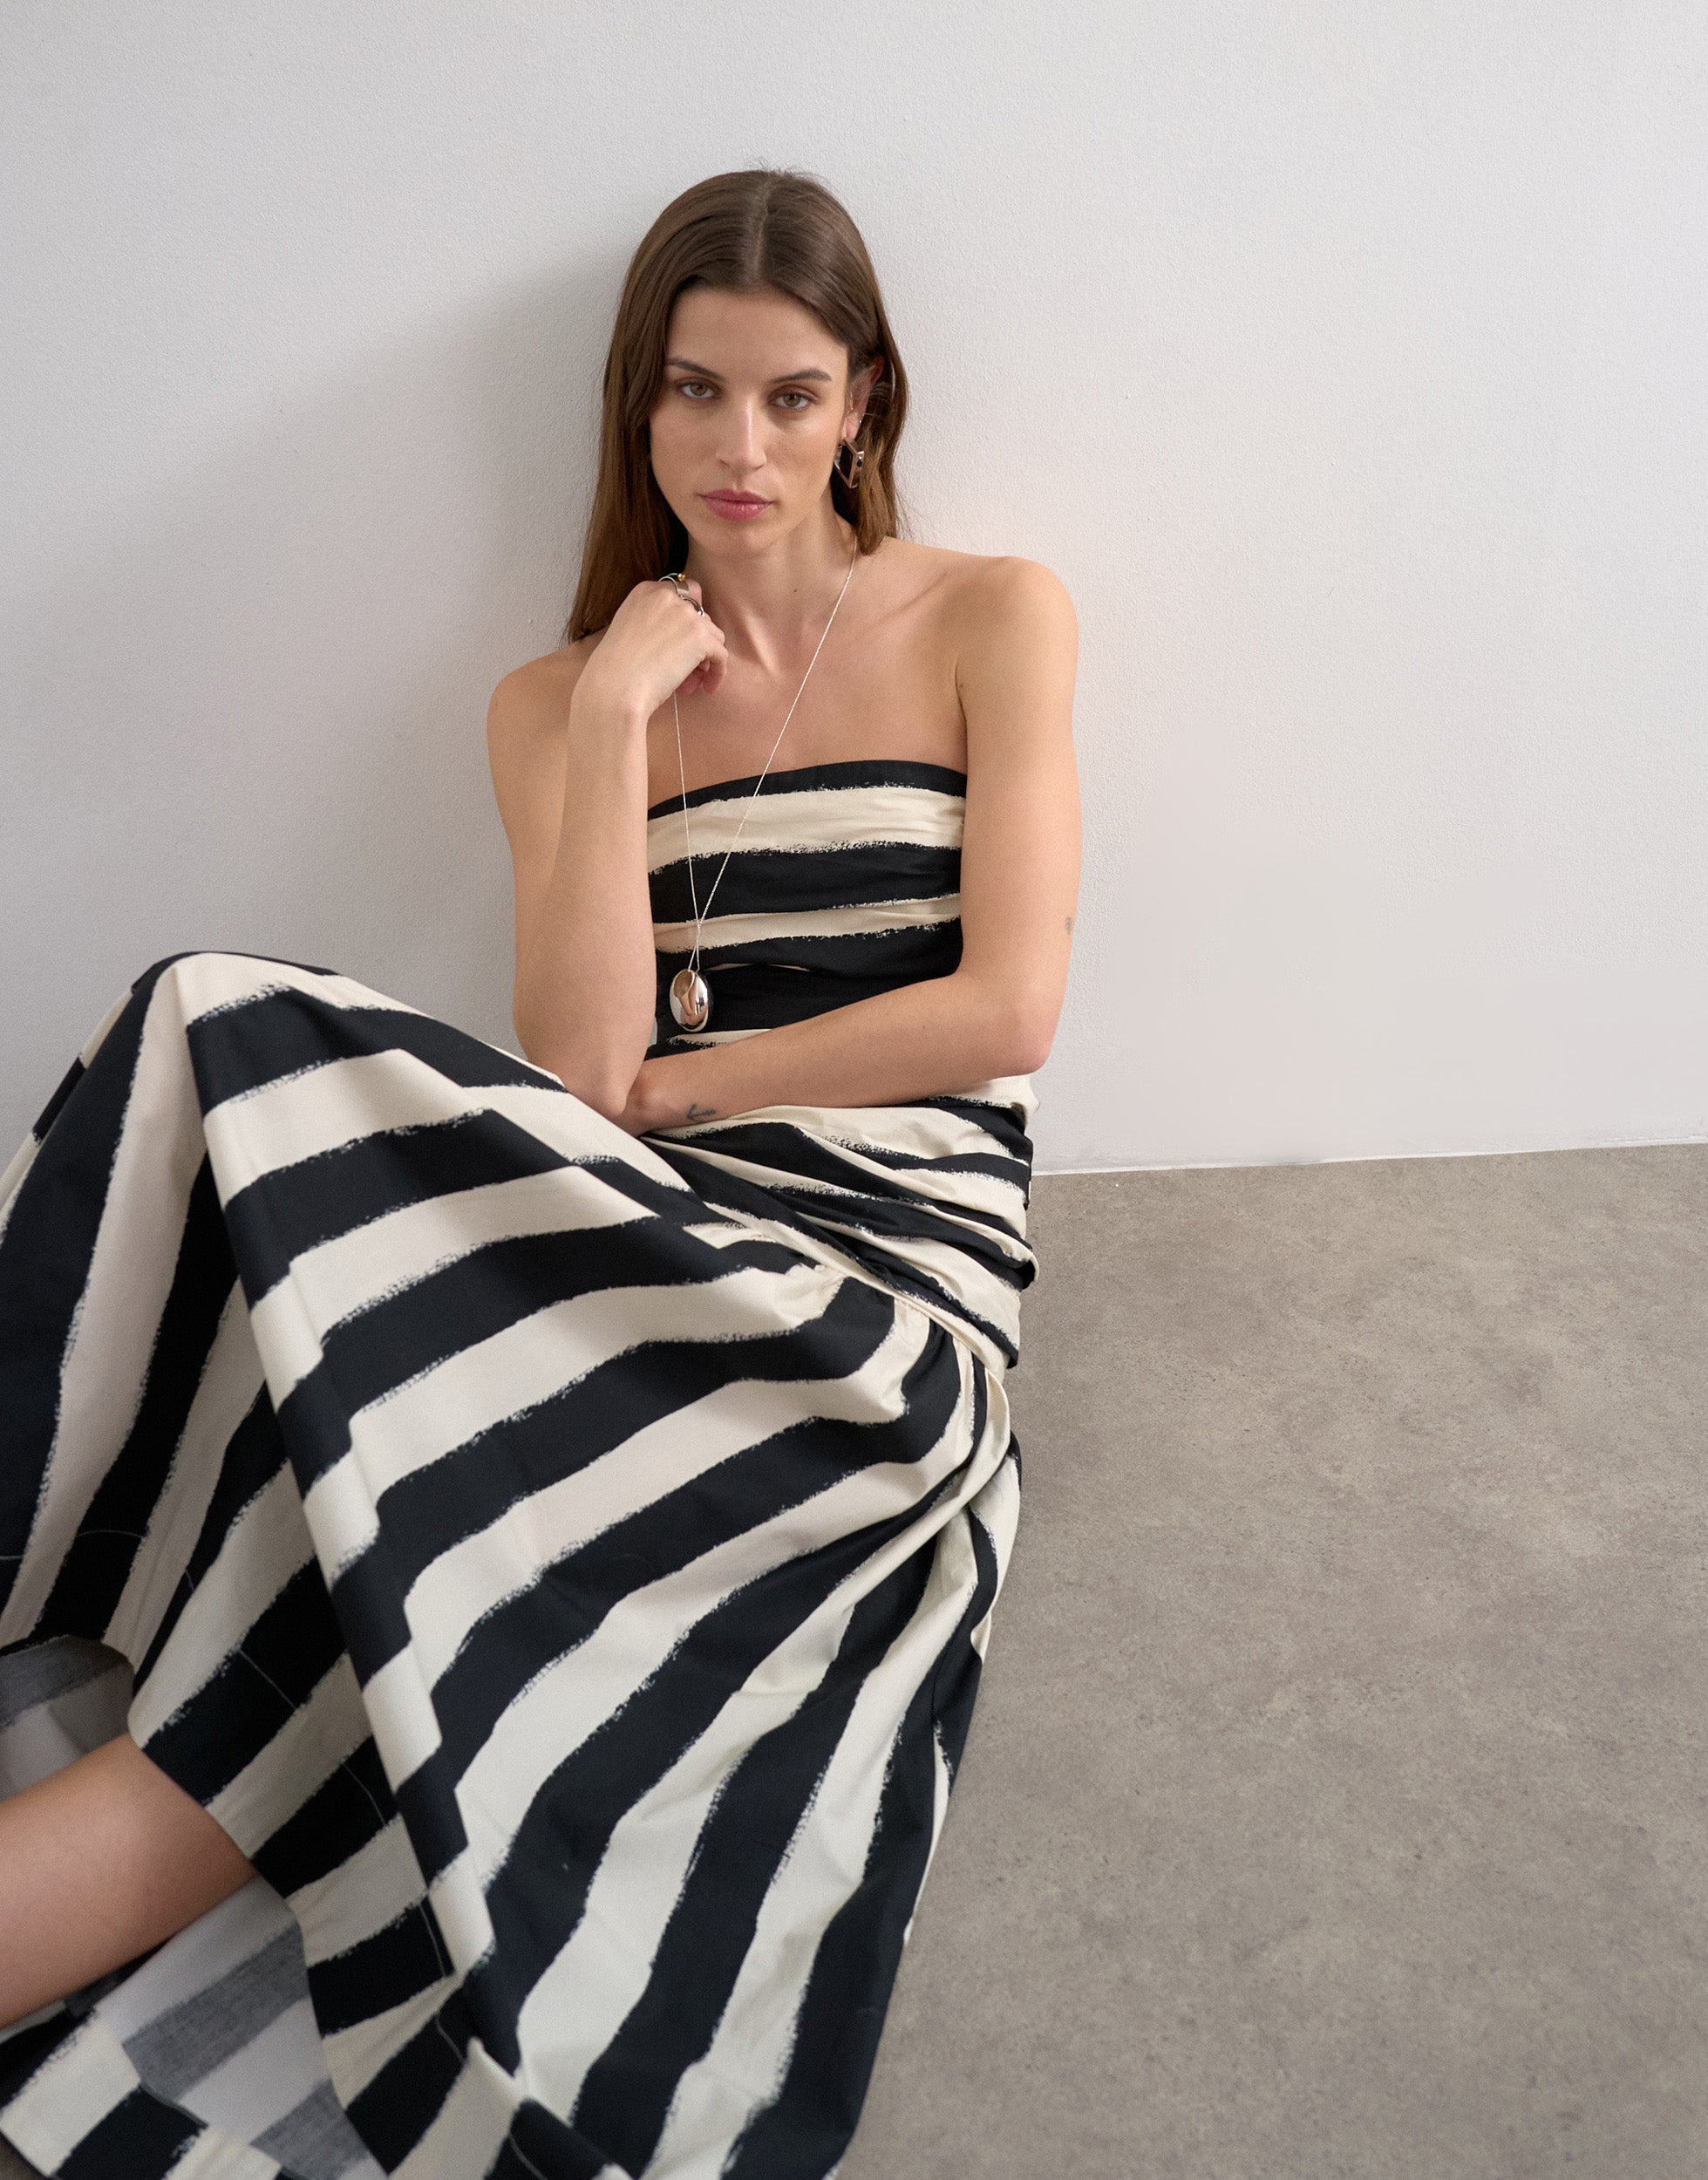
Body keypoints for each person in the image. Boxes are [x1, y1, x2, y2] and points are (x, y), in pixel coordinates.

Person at [0, 167, 1079, 2179]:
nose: (737, 444)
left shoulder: (990, 616)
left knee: (390, 1571)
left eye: (788, 394)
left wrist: (699, 1083)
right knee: (221, 1049)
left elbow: (1003, 1007)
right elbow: (579, 1076)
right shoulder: (551, 700)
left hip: (880, 1302)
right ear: (634, 403)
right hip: (630, 1228)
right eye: (691, 390)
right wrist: (605, 722)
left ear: (862, 402)